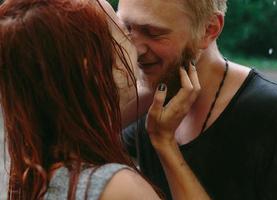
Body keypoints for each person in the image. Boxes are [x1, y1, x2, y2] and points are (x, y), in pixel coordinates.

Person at [0, 0, 212, 199]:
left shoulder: (31, 170)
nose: (137, 49)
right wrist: (164, 141)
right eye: (125, 31)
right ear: (91, 65)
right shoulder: (115, 187)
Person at [118, 0, 277, 199]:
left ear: (209, 30)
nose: (135, 49)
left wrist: (164, 142)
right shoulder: (149, 102)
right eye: (126, 28)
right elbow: (82, 143)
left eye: (153, 33)